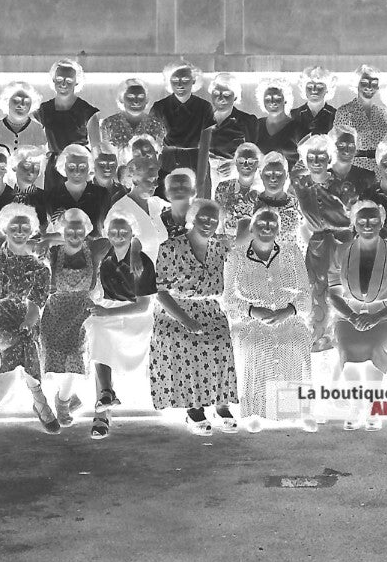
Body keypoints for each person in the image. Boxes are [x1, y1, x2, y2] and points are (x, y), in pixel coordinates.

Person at [149, 198, 240, 434]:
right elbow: (160, 292)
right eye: (203, 217)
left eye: (213, 219)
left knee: (220, 340)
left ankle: (222, 403)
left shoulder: (221, 249)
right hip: (174, 309)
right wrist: (185, 319)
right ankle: (194, 409)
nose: (208, 223)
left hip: (209, 307)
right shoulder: (170, 247)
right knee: (187, 341)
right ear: (192, 218)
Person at [222, 206, 315, 432]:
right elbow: (228, 298)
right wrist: (253, 310)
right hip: (251, 320)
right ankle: (255, 411)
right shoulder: (236, 255)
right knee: (256, 346)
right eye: (261, 224)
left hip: (287, 316)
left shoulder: (292, 252)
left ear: (279, 229)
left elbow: (305, 291)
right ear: (252, 229)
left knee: (296, 342)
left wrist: (288, 311)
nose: (267, 228)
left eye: (272, 224)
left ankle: (298, 410)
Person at [327, 200, 387, 427]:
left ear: (382, 223)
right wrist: (352, 316)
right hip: (349, 314)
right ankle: (356, 405)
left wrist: (376, 317)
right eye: (362, 220)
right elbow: (333, 294)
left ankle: (374, 405)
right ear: (354, 223)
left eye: (374, 220)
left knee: (375, 346)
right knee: (348, 346)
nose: (368, 224)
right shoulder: (341, 251)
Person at [0, 203, 60, 433]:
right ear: (5, 227)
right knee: (23, 343)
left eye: (24, 226)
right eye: (14, 225)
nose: (19, 230)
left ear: (32, 230)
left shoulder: (39, 267)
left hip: (22, 319)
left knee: (23, 340)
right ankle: (39, 400)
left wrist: (28, 321)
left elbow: (36, 306)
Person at [85, 213, 159, 440]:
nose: (118, 235)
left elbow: (143, 306)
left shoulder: (142, 261)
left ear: (132, 234)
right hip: (107, 310)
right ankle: (105, 399)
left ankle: (104, 401)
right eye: (113, 231)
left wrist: (108, 313)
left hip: (134, 317)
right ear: (107, 233)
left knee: (101, 329)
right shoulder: (103, 255)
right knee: (96, 330)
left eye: (124, 232)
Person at [39, 208, 106, 428]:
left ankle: (62, 402)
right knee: (53, 355)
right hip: (55, 310)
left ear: (87, 231)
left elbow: (122, 238)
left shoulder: (94, 248)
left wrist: (133, 253)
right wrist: (50, 238)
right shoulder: (53, 251)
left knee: (74, 357)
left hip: (82, 310)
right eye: (69, 230)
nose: (75, 234)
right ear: (62, 231)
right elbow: (29, 241)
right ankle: (69, 395)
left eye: (80, 229)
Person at [292, 133, 358, 351]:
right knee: (316, 296)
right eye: (311, 156)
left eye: (321, 156)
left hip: (343, 246)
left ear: (329, 158)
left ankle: (345, 348)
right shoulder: (300, 185)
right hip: (317, 247)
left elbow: (356, 221)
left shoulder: (344, 187)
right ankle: (318, 345)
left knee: (341, 296)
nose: (316, 161)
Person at [150, 61, 216, 186]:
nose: (180, 84)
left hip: (195, 160)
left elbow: (205, 146)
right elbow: (153, 144)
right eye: (175, 80)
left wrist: (201, 180)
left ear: (194, 80)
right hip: (167, 160)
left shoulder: (204, 107)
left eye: (185, 79)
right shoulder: (160, 107)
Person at [37, 59, 99, 190]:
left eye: (69, 80)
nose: (63, 84)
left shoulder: (88, 111)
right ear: (53, 80)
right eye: (59, 79)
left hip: (79, 167)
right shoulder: (43, 110)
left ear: (76, 82)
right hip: (54, 169)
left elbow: (96, 149)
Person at [41, 144, 110, 237]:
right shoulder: (51, 196)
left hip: (96, 248)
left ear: (89, 168)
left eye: (82, 167)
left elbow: (105, 228)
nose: (77, 171)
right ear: (63, 167)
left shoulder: (102, 194)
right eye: (72, 166)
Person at [92, 76, 168, 162]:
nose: (136, 101)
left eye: (140, 97)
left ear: (146, 100)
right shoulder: (109, 123)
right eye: (131, 97)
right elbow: (106, 155)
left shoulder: (157, 124)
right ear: (122, 99)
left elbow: (161, 157)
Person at [335, 65, 387, 171]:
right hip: (355, 169)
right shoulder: (344, 111)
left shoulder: (383, 112)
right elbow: (339, 147)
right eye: (365, 82)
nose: (369, 87)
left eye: (374, 83)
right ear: (356, 84)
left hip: (381, 169)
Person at [206, 72, 259, 183]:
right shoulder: (203, 120)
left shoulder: (247, 121)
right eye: (216, 93)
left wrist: (235, 167)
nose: (220, 98)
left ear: (235, 96)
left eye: (226, 94)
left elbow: (256, 155)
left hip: (235, 178)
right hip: (206, 179)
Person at [0, 80, 50, 164]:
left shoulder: (40, 129)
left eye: (27, 101)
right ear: (7, 100)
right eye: (17, 99)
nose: (22, 104)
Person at [214, 142, 263, 234]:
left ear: (258, 164)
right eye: (241, 161)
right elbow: (218, 221)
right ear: (235, 163)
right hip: (226, 241)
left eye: (251, 161)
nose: (246, 164)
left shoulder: (263, 191)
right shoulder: (223, 187)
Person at [253, 75, 304, 165]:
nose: (272, 102)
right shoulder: (256, 125)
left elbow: (309, 160)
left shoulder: (297, 127)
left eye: (277, 98)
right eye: (268, 98)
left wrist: (293, 175)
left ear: (285, 100)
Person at [10, 145, 51, 231]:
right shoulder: (4, 197)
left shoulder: (47, 198)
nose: (32, 171)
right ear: (15, 166)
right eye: (27, 165)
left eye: (36, 166)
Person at [291, 66, 338, 135]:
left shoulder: (336, 116)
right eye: (310, 86)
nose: (314, 90)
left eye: (319, 86)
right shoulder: (293, 115)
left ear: (327, 89)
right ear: (304, 88)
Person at [159, 168, 199, 240]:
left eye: (185, 185)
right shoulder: (160, 220)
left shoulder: (201, 216)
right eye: (175, 186)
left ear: (193, 191)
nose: (180, 189)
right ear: (167, 193)